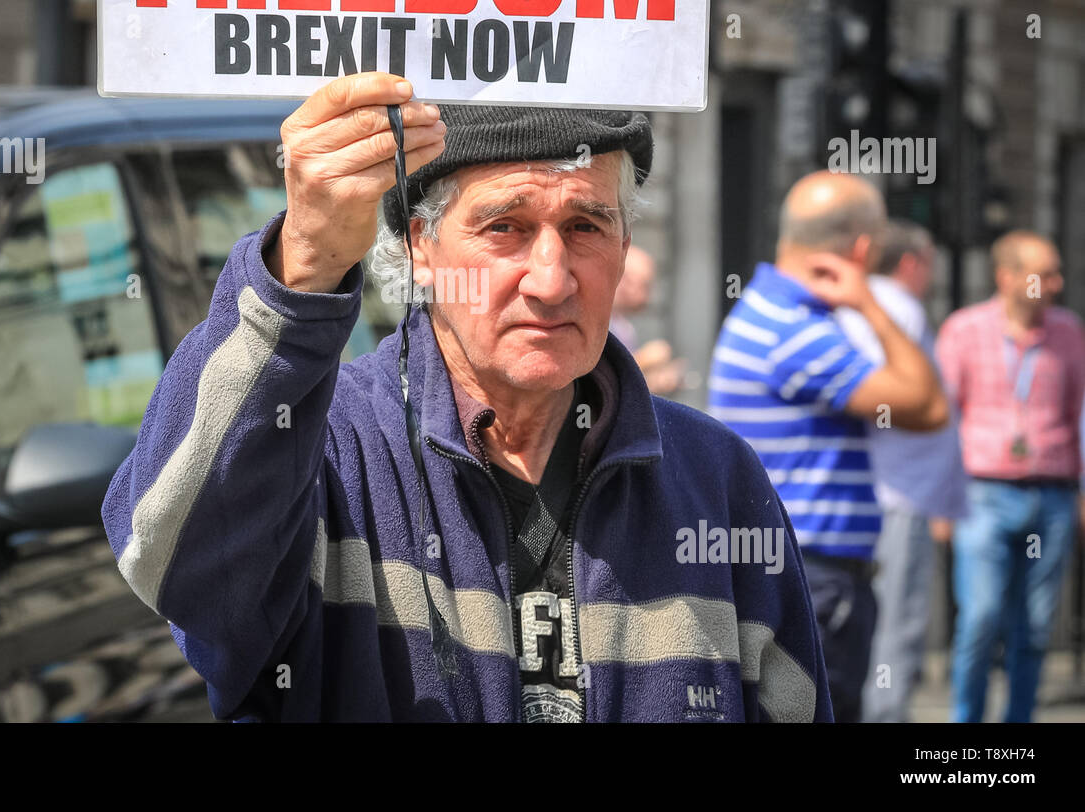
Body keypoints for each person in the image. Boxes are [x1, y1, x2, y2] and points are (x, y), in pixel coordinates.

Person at [102, 72, 833, 722]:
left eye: (585, 226)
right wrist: (301, 268)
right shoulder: (321, 451)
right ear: (421, 247)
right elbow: (166, 561)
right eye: (504, 227)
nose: (551, 279)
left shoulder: (715, 480)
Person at [708, 170, 948, 723]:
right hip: (815, 575)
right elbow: (928, 406)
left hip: (792, 565)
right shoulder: (796, 332)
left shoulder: (767, 311)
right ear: (862, 249)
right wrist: (868, 303)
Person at [935, 230, 1085, 723]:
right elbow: (942, 419)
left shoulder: (1069, 333)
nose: (1057, 283)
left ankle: (1017, 731)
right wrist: (942, 498)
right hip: (984, 495)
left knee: (1036, 626)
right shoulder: (964, 330)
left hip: (1052, 497)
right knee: (980, 619)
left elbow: (1080, 415)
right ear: (1008, 277)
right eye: (1047, 273)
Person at [834, 220, 966, 723]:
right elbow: (892, 396)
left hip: (890, 495)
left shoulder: (873, 306)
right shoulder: (898, 307)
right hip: (897, 498)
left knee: (881, 633)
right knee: (895, 635)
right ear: (912, 263)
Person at [610, 245, 687, 395]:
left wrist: (657, 382)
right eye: (645, 285)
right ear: (625, 280)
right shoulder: (599, 323)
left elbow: (621, 390)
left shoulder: (623, 326)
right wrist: (645, 359)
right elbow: (600, 376)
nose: (649, 296)